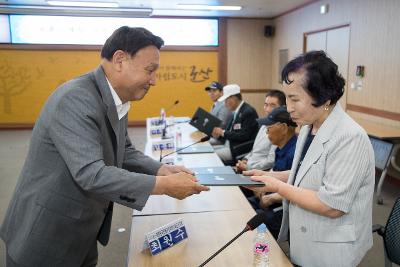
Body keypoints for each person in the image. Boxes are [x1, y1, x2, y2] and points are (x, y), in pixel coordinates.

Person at [0, 26, 209, 267]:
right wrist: (163, 185)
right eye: (150, 70)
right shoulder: (76, 99)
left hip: (82, 228)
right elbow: (92, 174)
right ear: (120, 60)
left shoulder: (114, 98)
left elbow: (125, 150)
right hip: (46, 233)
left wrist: (161, 170)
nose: (154, 80)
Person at [246, 51, 375, 267]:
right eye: (287, 97)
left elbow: (332, 205)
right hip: (305, 238)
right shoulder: (309, 126)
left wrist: (277, 185)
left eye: (295, 99)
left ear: (323, 97)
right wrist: (269, 175)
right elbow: (306, 173)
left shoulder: (350, 137)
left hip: (331, 248)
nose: (288, 108)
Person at [248, 106, 297, 239]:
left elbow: (297, 188)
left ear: (283, 127)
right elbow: (274, 171)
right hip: (271, 198)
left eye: (269, 128)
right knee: (244, 206)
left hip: (285, 207)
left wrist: (270, 198)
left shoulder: (295, 152)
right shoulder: (279, 148)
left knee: (252, 218)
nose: (266, 132)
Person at [235, 90, 286, 173]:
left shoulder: (280, 130)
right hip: (248, 166)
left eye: (272, 106)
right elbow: (254, 150)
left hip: (258, 172)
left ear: (283, 107)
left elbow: (270, 161)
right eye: (266, 105)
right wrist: (245, 160)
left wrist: (248, 167)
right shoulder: (263, 125)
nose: (268, 109)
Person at [211, 84, 259, 164]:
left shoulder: (248, 112)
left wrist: (222, 132)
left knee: (212, 156)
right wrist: (219, 135)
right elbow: (229, 132)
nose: (225, 104)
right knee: (209, 151)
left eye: (226, 101)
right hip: (228, 145)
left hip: (238, 149)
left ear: (234, 98)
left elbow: (243, 135)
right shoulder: (236, 111)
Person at [204, 81, 233, 145]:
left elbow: (221, 124)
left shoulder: (224, 105)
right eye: (209, 91)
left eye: (214, 91)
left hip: (220, 138)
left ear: (221, 92)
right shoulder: (216, 104)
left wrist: (204, 126)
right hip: (212, 135)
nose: (211, 93)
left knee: (200, 143)